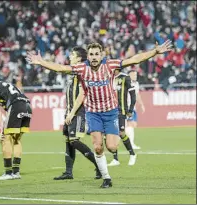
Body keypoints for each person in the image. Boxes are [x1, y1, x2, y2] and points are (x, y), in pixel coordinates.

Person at [26, 40, 172, 188]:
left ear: (101, 55)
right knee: (97, 147)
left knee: (112, 147)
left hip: (110, 112)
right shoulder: (82, 68)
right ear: (88, 56)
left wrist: (154, 52)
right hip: (93, 112)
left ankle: (108, 137)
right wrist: (41, 62)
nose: (94, 57)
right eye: (91, 54)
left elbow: (134, 59)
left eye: (97, 54)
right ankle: (106, 178)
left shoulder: (110, 65)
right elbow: (61, 68)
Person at [53, 46, 101, 180]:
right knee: (69, 141)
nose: (70, 57)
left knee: (74, 140)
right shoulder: (73, 73)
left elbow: (81, 94)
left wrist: (72, 113)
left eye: (72, 55)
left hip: (78, 112)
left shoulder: (82, 72)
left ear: (79, 58)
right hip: (70, 111)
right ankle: (68, 172)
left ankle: (99, 165)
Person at [0, 81, 32, 180]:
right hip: (27, 106)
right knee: (16, 139)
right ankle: (16, 172)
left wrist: (2, 130)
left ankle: (8, 173)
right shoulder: (2, 88)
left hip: (16, 106)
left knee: (5, 139)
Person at [107, 69, 137, 167]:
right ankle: (115, 159)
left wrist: (131, 110)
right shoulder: (108, 77)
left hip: (121, 110)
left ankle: (132, 154)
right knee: (108, 134)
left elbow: (133, 94)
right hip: (109, 110)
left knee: (121, 133)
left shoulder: (125, 77)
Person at [126, 70, 145, 149]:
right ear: (129, 75)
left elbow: (137, 95)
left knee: (132, 125)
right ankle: (131, 144)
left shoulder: (136, 84)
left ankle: (128, 142)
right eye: (133, 75)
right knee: (130, 124)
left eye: (136, 75)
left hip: (132, 107)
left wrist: (141, 105)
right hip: (127, 107)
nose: (135, 76)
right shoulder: (126, 83)